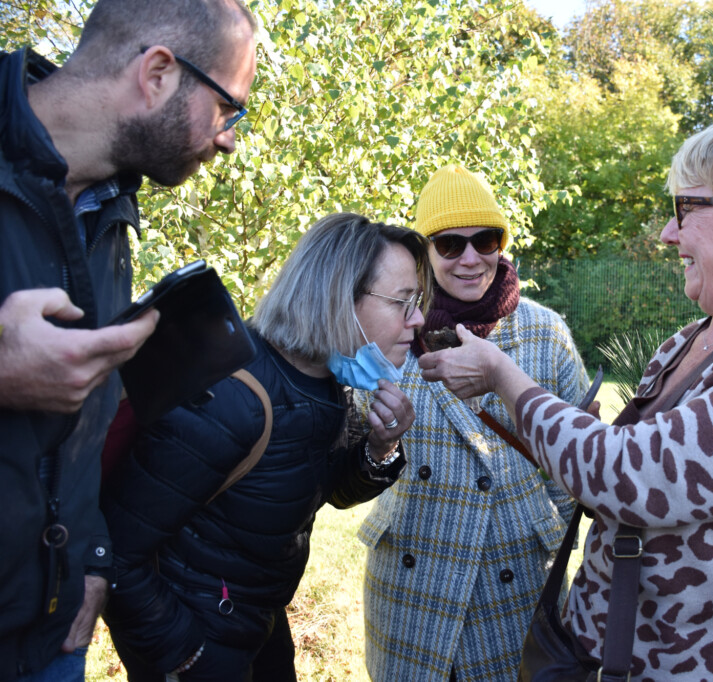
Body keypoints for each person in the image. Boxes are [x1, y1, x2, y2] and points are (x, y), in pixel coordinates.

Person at [420, 113, 713, 680]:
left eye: (686, 208)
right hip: (611, 655)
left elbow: (633, 477)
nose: (667, 233)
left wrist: (503, 377)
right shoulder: (692, 340)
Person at [0, 1, 257, 678]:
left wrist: (91, 559)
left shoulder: (109, 210)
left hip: (50, 634)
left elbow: (83, 424)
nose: (230, 138)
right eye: (230, 107)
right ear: (159, 74)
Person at [99, 213, 430, 680]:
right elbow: (114, 549)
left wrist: (380, 448)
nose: (418, 319)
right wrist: (188, 655)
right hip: (197, 639)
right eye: (403, 302)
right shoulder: (231, 399)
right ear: (339, 299)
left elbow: (315, 489)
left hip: (254, 625)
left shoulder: (323, 381)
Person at [358, 165, 589, 680]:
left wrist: (544, 528)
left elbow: (580, 461)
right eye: (448, 244)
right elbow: (349, 455)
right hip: (413, 580)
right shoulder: (392, 326)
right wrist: (379, 444)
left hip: (517, 580)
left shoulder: (543, 333)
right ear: (425, 252)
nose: (470, 258)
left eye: (485, 240)